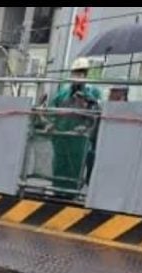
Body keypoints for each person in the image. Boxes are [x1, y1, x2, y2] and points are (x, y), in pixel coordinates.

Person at [47, 57, 102, 195]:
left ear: (86, 75)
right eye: (75, 73)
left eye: (81, 73)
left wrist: (86, 104)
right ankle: (57, 193)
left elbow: (97, 114)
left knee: (75, 167)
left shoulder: (93, 93)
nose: (77, 76)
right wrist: (50, 123)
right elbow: (52, 110)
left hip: (79, 139)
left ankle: (72, 194)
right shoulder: (63, 92)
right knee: (59, 165)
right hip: (60, 136)